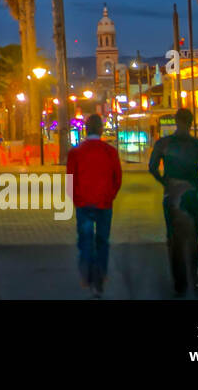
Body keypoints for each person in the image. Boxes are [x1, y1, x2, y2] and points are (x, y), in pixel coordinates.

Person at [148, 108, 198, 296]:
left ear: (176, 121)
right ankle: (194, 276)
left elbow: (152, 167)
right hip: (192, 193)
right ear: (191, 122)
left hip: (172, 194)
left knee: (173, 238)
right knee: (194, 236)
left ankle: (180, 283)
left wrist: (164, 182)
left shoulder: (163, 143)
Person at [66, 114, 122, 298]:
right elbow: (117, 179)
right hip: (104, 203)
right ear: (101, 130)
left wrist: (76, 199)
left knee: (85, 240)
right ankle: (102, 274)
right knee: (103, 240)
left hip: (84, 203)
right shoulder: (110, 151)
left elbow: (70, 181)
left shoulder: (75, 152)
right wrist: (110, 196)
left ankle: (86, 275)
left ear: (85, 130)